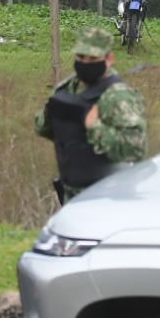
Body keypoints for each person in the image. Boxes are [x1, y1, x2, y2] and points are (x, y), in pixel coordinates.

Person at [35, 25, 147, 204]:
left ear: (109, 59)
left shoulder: (118, 96)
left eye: (93, 58)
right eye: (80, 57)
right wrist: (51, 115)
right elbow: (45, 129)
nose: (85, 63)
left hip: (108, 197)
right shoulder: (67, 88)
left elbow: (135, 150)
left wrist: (94, 126)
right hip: (71, 192)